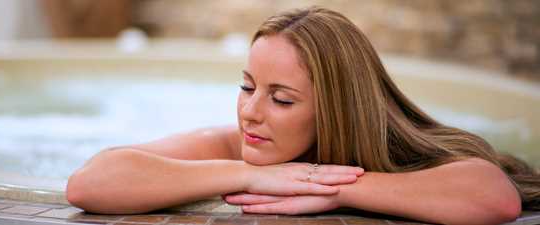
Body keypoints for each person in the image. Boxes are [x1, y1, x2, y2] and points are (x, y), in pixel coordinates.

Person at [66, 6, 539, 225]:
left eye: (282, 99)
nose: (250, 112)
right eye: (247, 86)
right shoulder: (234, 148)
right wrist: (249, 177)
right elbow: (90, 183)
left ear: (336, 108)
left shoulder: (397, 149)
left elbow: (494, 198)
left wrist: (327, 188)